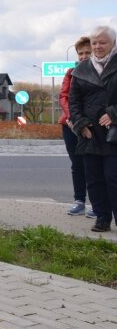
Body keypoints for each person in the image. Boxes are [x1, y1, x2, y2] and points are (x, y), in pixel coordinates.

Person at [68, 25, 117, 233]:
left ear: (113, 43)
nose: (97, 46)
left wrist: (114, 113)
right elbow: (74, 101)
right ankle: (102, 218)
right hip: (89, 134)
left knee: (113, 177)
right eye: (94, 42)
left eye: (102, 42)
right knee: (94, 179)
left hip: (113, 133)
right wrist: (80, 123)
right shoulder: (81, 69)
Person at [59, 36, 94, 216]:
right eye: (81, 53)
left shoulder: (100, 73)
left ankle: (97, 204)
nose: (84, 56)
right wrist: (72, 118)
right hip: (70, 125)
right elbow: (64, 96)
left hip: (90, 126)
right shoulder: (71, 73)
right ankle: (79, 200)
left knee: (93, 165)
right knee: (77, 164)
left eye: (88, 52)